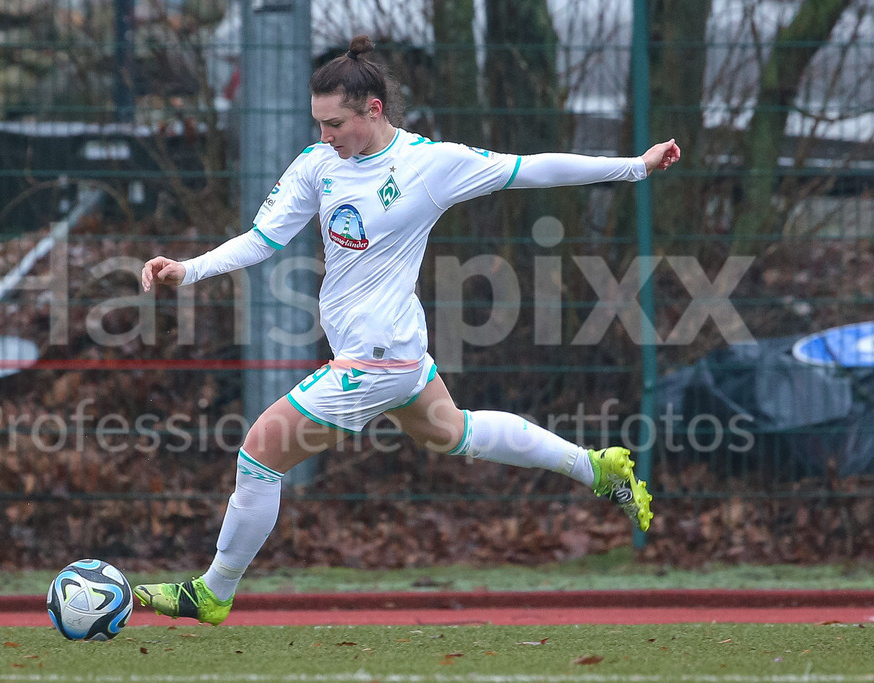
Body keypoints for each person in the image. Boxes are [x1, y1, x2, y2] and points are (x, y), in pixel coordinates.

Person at [135, 35, 680, 626]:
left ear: (374, 110)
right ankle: (594, 468)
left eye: (336, 124)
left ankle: (213, 592)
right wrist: (189, 269)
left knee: (260, 456)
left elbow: (533, 169)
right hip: (399, 352)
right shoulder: (319, 167)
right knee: (455, 433)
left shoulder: (430, 165)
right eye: (318, 124)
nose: (325, 137)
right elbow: (263, 239)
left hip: (376, 360)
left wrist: (635, 167)